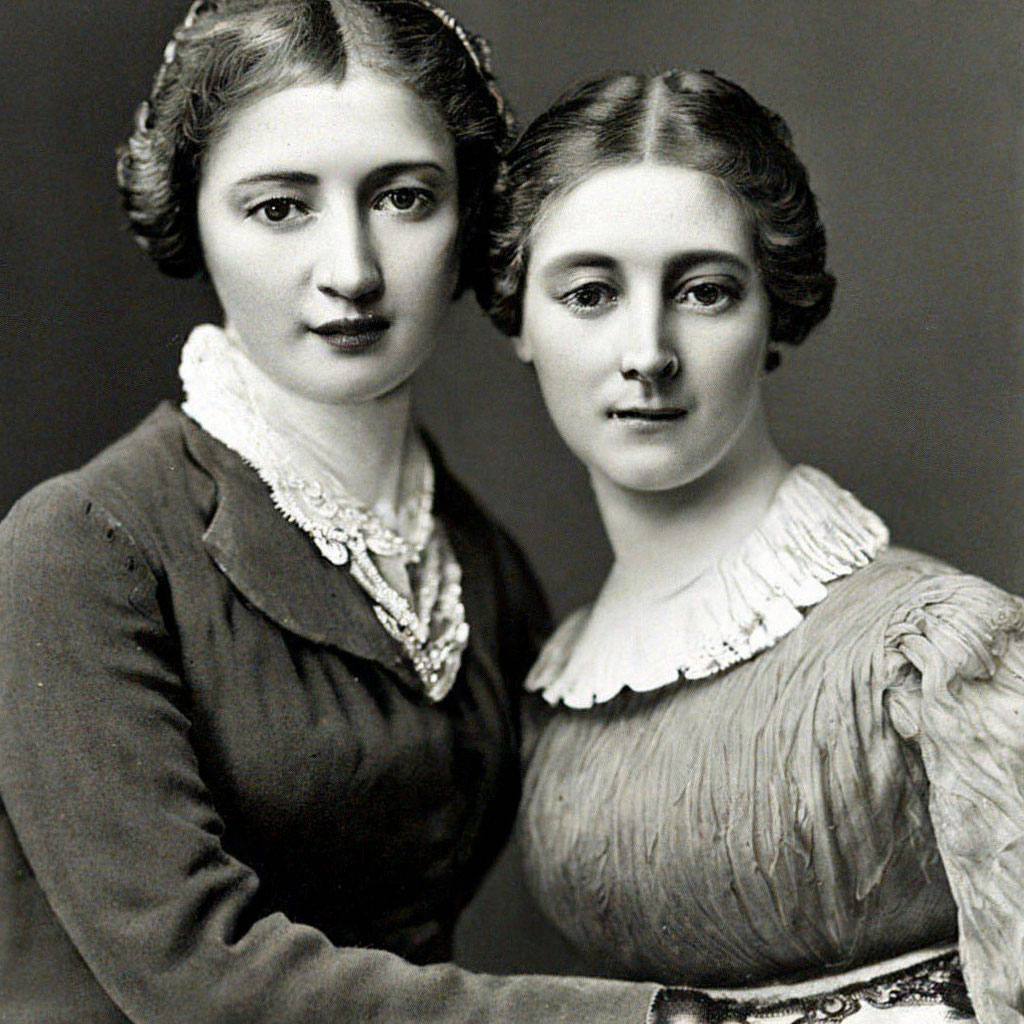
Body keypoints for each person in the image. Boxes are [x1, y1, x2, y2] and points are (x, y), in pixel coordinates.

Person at [0, 3, 666, 1021]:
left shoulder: (475, 567)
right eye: (280, 208)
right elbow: (198, 977)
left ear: (467, 214)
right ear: (193, 215)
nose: (351, 270)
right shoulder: (85, 549)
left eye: (403, 198)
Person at [485, 69, 1024, 1024]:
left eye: (704, 291)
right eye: (590, 293)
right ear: (519, 315)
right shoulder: (556, 692)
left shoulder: (933, 648)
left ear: (773, 305)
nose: (647, 353)